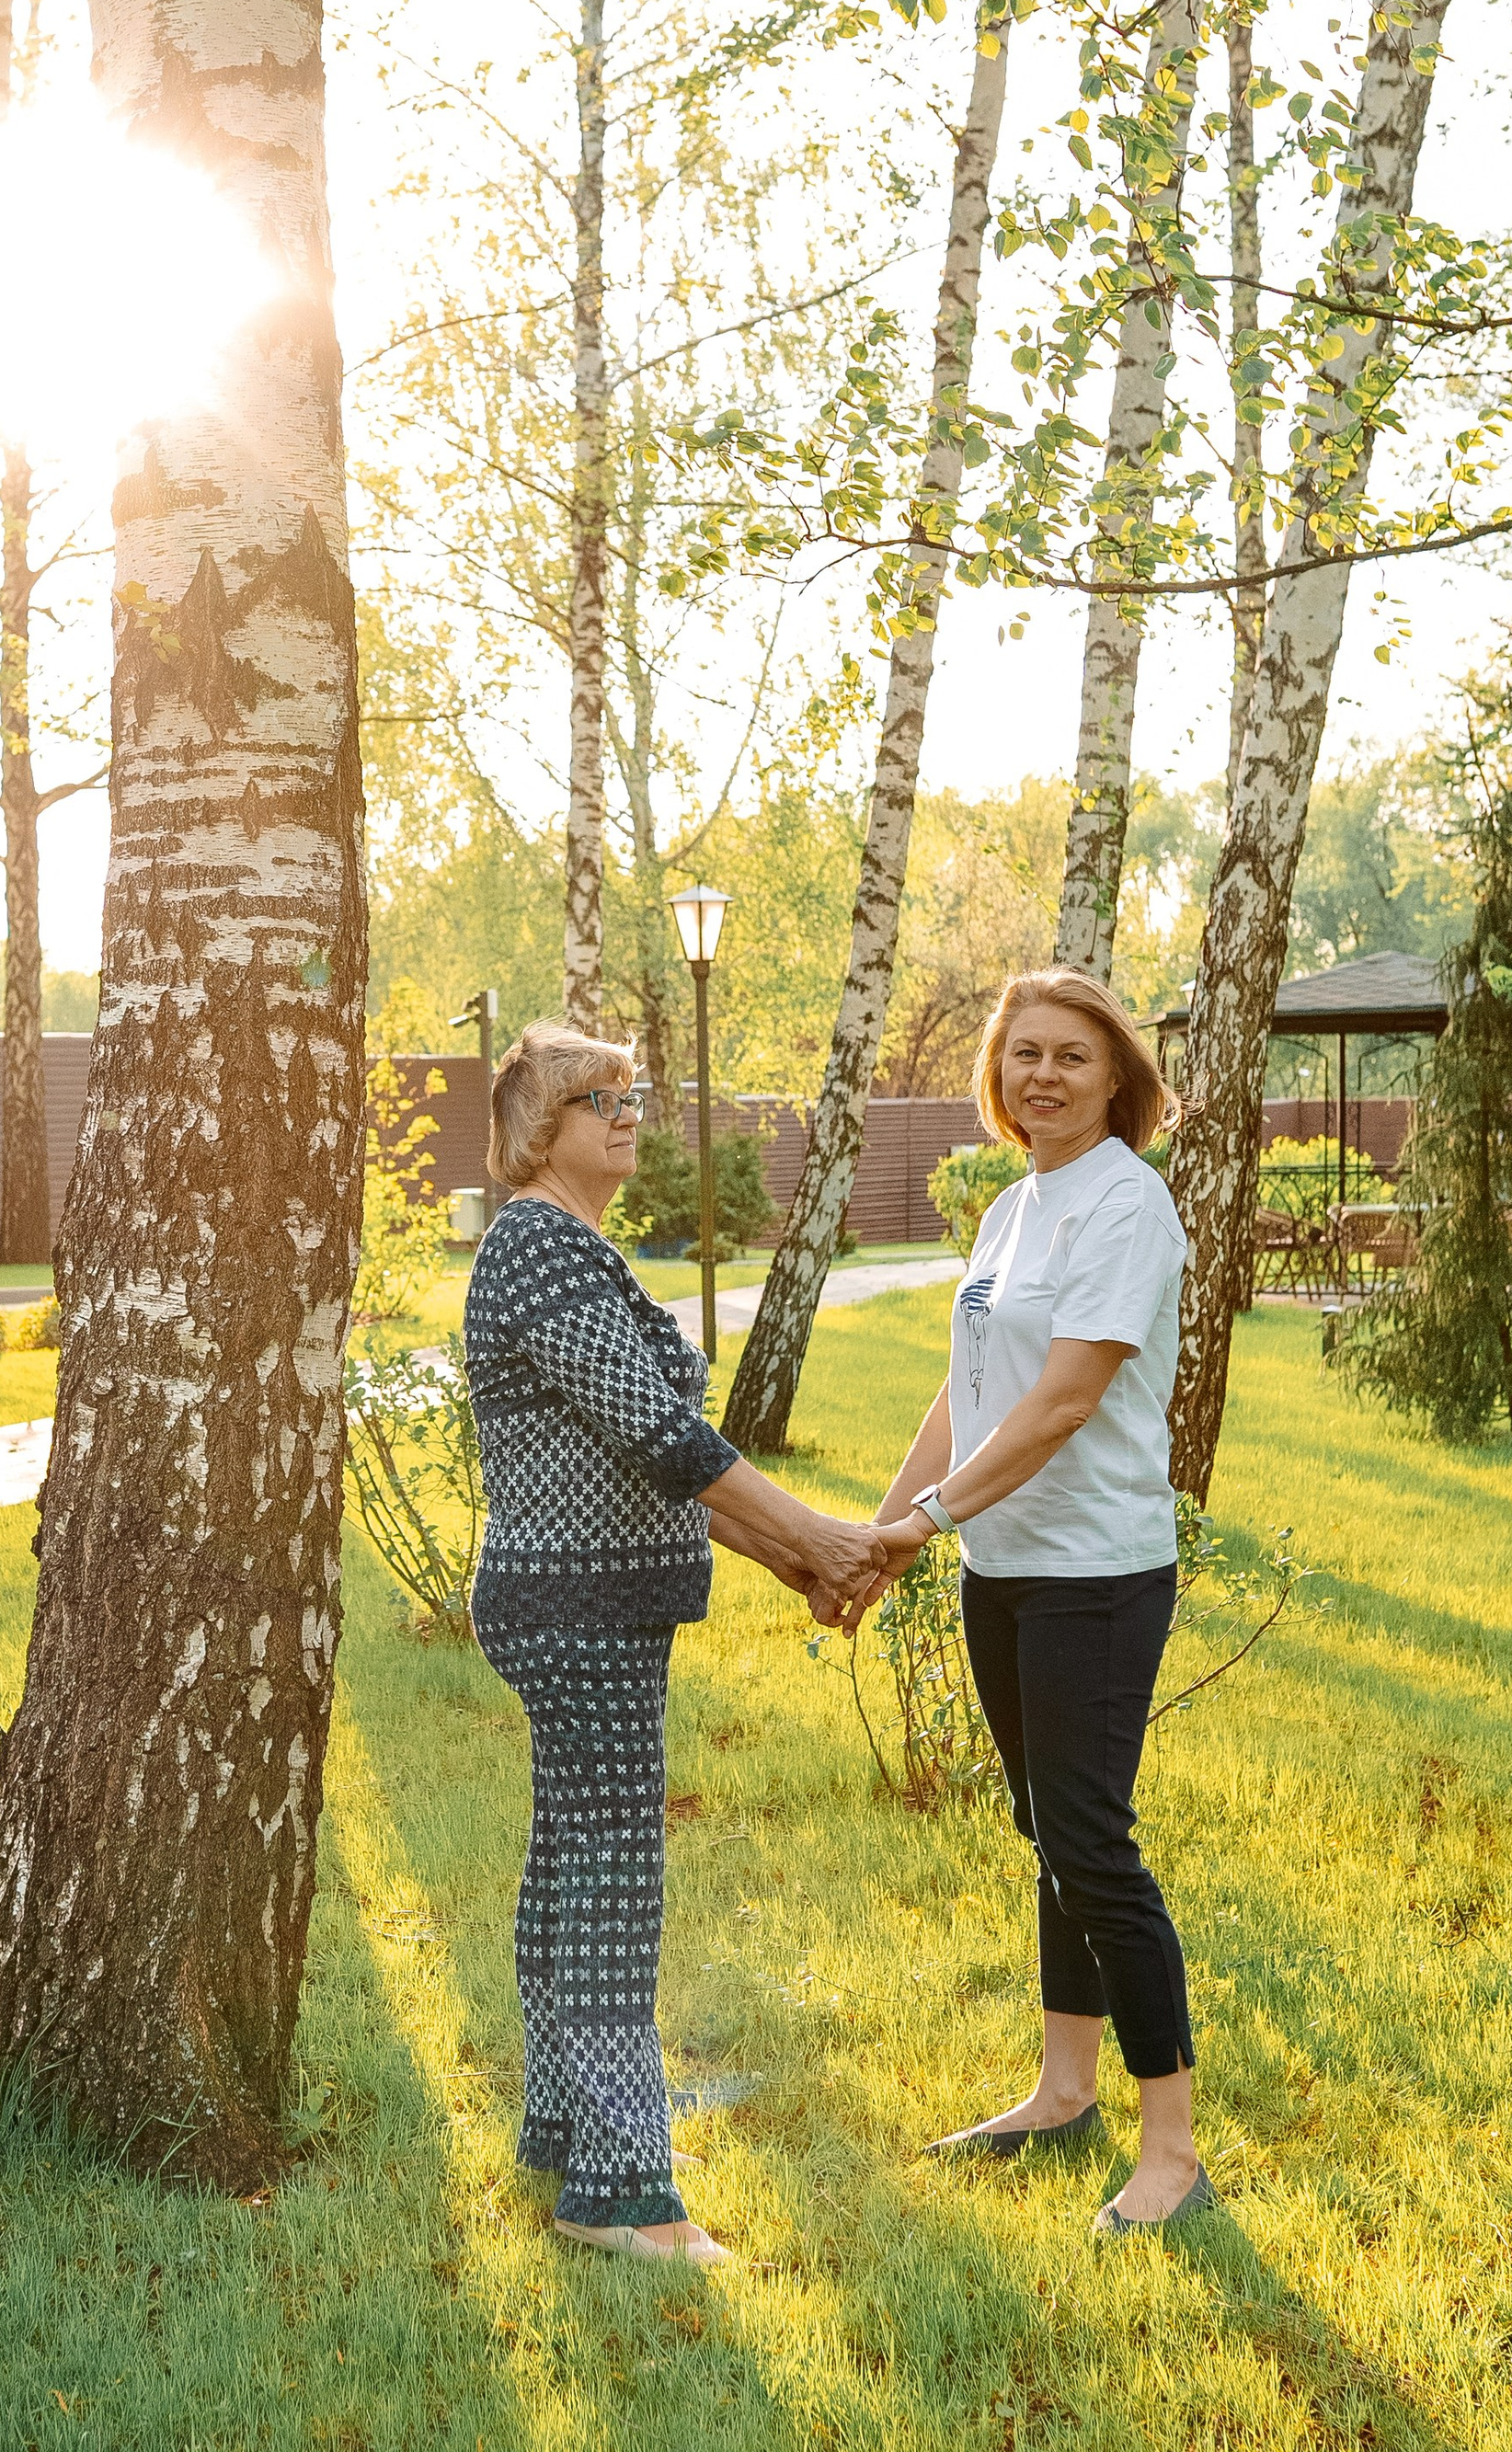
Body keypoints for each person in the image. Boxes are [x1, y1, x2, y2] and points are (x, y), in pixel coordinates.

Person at [464, 1024, 886, 2268]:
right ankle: (623, 2198)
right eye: (600, 1098)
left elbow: (656, 1469)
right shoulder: (540, 1247)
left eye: (634, 1094)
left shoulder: (573, 1247)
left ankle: (566, 2131)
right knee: (609, 1893)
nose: (628, 1114)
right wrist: (819, 1536)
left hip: (594, 1605)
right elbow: (661, 1438)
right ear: (541, 1127)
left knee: (571, 1876)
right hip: (574, 1613)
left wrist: (802, 1561)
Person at [871, 968, 1209, 2237]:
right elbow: (967, 1391)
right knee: (1045, 1831)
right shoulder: (1016, 1206)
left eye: (1072, 1056)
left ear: (1118, 1077)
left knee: (1089, 1841)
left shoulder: (1126, 1203)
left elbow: (1065, 1400)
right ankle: (1064, 2088)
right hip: (1002, 1574)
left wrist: (925, 1520)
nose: (1044, 1076)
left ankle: (1169, 2144)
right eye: (1024, 1055)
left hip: (1095, 1574)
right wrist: (885, 1536)